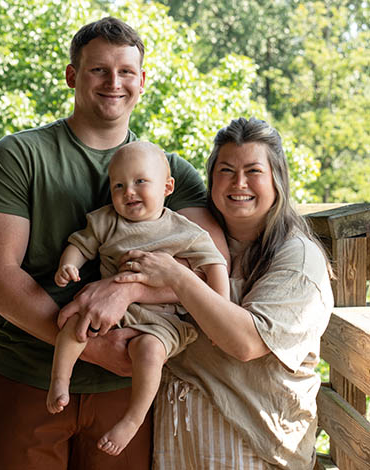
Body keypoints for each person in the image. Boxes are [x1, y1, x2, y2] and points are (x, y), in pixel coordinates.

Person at [0, 17, 229, 470]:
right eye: (98, 70)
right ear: (72, 75)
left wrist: (127, 289)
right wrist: (92, 346)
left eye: (126, 71)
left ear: (142, 81)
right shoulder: (19, 155)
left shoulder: (170, 172)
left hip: (127, 391)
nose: (114, 83)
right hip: (28, 375)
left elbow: (213, 269)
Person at [116, 117, 334, 470]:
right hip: (180, 440)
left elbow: (244, 342)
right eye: (226, 170)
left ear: (278, 178)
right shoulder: (186, 237)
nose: (239, 183)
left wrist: (176, 278)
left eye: (253, 171)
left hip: (254, 447)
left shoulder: (298, 258)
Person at [47, 140, 230, 457]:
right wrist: (69, 264)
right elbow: (81, 244)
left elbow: (215, 264)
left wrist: (220, 316)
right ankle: (60, 380)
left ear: (167, 186)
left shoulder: (184, 231)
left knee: (149, 352)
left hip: (162, 320)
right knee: (75, 324)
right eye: (118, 185)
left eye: (140, 182)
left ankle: (133, 419)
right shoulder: (106, 221)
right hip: (110, 311)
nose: (128, 191)